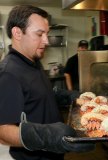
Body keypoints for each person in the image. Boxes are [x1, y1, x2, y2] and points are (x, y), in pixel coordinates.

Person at [0, 5, 95, 160]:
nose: (46, 41)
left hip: (53, 153)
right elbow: (3, 132)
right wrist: (48, 136)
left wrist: (67, 96)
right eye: (40, 34)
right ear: (17, 33)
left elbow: (37, 96)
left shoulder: (33, 61)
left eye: (47, 34)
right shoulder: (8, 73)